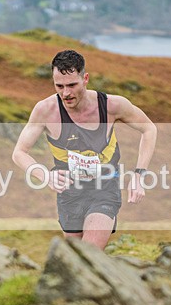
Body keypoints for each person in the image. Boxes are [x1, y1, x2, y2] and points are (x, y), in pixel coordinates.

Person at [12, 49, 157, 250]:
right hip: (69, 192)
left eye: (72, 85)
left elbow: (149, 129)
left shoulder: (112, 105)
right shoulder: (45, 110)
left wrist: (138, 175)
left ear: (85, 78)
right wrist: (45, 176)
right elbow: (19, 152)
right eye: (59, 86)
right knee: (74, 258)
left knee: (88, 253)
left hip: (104, 188)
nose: (66, 93)